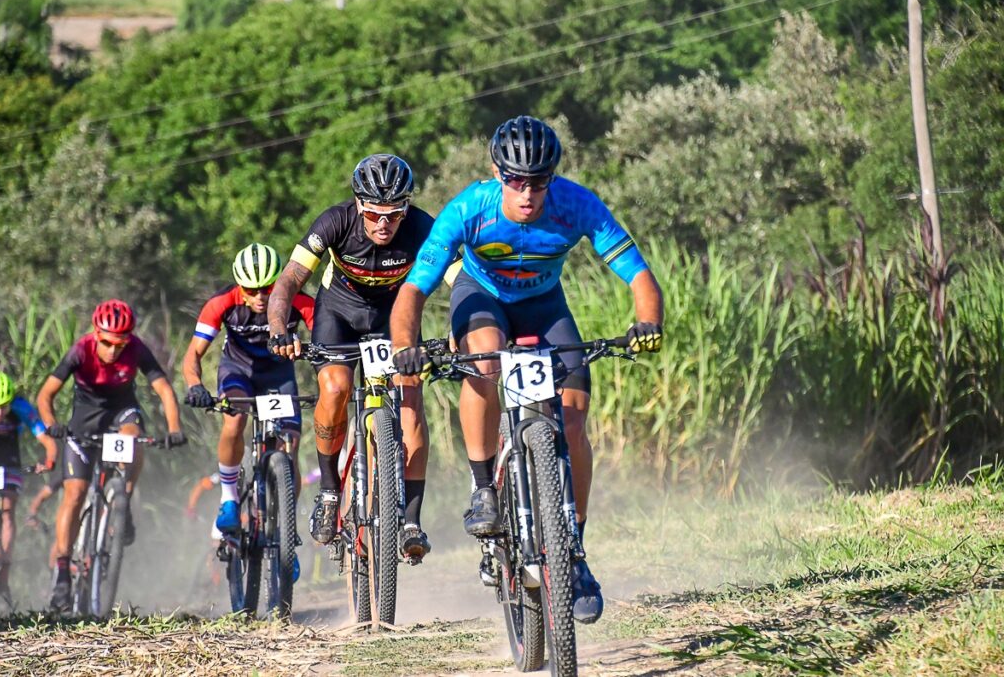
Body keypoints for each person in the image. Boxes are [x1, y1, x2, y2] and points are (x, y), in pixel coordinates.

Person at [389, 116, 663, 623]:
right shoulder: (470, 208)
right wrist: (405, 344)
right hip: (482, 299)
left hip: (544, 304)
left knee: (575, 420)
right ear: (498, 173)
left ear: (552, 178)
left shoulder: (577, 204)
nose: (528, 194)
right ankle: (484, 488)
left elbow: (638, 274)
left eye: (538, 181)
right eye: (516, 180)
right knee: (486, 358)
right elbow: (412, 293)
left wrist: (648, 320)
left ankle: (574, 551)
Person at [268, 153, 436, 561]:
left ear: (406, 207)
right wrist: (278, 327)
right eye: (375, 213)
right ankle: (328, 491)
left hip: (392, 317)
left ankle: (411, 519)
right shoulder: (335, 221)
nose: (384, 224)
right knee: (336, 387)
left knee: (410, 398)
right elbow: (289, 279)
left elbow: (459, 278)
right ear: (359, 204)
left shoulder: (423, 228)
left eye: (394, 215)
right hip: (338, 313)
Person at [37, 299, 187, 613]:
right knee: (74, 494)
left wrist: (174, 428)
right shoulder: (80, 350)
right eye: (107, 343)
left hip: (122, 412)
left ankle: (123, 497)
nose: (113, 351)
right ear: (96, 334)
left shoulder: (137, 348)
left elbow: (164, 389)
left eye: (120, 344)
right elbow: (45, 394)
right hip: (84, 422)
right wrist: (51, 425)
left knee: (134, 436)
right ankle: (63, 568)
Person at [181, 243, 315, 555]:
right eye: (251, 289)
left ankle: (285, 534)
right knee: (235, 417)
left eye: (267, 288)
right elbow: (193, 354)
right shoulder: (222, 303)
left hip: (279, 376)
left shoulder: (298, 301)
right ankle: (229, 498)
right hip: (238, 372)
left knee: (291, 445)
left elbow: (325, 338)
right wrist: (194, 385)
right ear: (240, 286)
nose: (259, 296)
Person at [0, 370, 57, 606]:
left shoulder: (21, 407)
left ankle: (3, 574)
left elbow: (43, 435)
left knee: (8, 511)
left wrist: (51, 457)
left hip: (9, 459)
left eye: (3, 406)